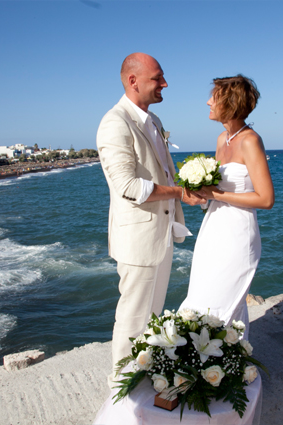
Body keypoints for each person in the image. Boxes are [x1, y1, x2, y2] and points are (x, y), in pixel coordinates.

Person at [96, 52, 205, 387]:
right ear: (133, 81)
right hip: (138, 240)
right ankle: (122, 389)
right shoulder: (115, 123)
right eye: (158, 78)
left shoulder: (153, 121)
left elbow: (163, 170)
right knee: (132, 317)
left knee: (152, 315)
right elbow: (127, 186)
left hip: (160, 235)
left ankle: (144, 375)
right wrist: (178, 192)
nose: (165, 84)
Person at [179, 75, 274, 340]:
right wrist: (201, 193)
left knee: (223, 298)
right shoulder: (223, 139)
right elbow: (217, 190)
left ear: (230, 103)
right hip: (213, 227)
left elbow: (266, 199)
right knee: (202, 293)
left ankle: (222, 364)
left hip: (238, 233)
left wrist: (216, 194)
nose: (208, 101)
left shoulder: (250, 141)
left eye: (215, 97)